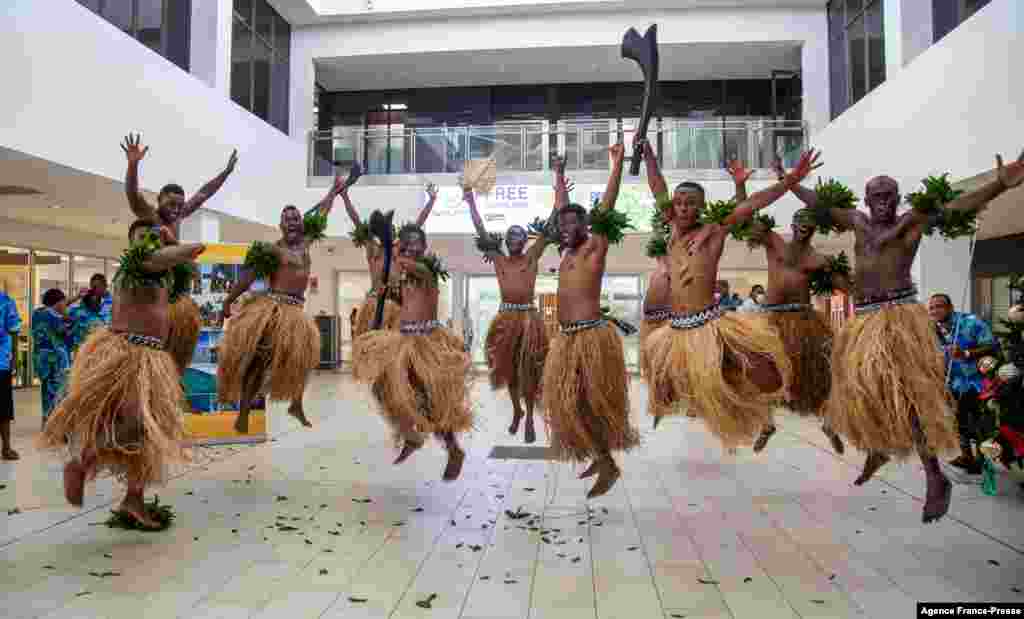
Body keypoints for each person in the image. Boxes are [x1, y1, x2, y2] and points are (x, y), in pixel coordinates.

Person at [795, 150, 1024, 523]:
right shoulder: (856, 221)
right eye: (877, 196)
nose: (883, 201)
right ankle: (876, 447)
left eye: (890, 195)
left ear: (898, 198)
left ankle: (935, 476)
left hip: (899, 317)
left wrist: (998, 184)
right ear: (866, 201)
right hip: (865, 318)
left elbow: (957, 208)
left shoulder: (912, 222)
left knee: (912, 398)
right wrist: (792, 183)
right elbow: (821, 207)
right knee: (856, 390)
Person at [642, 139, 818, 449]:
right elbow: (657, 188)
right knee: (672, 384)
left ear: (702, 206)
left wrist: (791, 180)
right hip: (676, 328)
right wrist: (649, 156)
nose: (683, 207)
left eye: (691, 202)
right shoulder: (671, 232)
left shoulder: (714, 232)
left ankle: (766, 415)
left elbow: (754, 204)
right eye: (679, 201)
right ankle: (747, 415)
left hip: (707, 325)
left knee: (756, 374)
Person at [40, 220, 204, 528]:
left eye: (154, 236)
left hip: (152, 358)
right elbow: (196, 250)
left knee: (145, 434)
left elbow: (192, 271)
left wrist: (170, 247)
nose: (150, 240)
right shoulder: (140, 263)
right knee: (133, 424)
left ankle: (134, 497)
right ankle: (81, 464)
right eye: (143, 236)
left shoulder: (162, 273)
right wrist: (168, 237)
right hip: (128, 356)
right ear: (132, 244)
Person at [218, 170, 351, 434]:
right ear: (281, 225)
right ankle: (244, 411)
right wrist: (228, 301)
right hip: (273, 311)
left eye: (295, 218)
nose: (291, 222)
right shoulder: (272, 250)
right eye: (287, 219)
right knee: (258, 361)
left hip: (297, 311)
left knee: (303, 357)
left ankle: (296, 404)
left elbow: (322, 212)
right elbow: (247, 277)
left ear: (301, 224)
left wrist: (334, 191)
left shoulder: (307, 242)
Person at [541, 142, 639, 499]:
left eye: (573, 222)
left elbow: (609, 203)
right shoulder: (565, 251)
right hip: (567, 338)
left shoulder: (594, 246)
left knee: (592, 400)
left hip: (590, 338)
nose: (565, 227)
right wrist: (558, 175)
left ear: (586, 225)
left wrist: (617, 164)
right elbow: (558, 210)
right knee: (572, 403)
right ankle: (601, 456)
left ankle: (607, 461)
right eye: (562, 224)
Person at [351, 218, 472, 481]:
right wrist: (384, 293)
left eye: (416, 245)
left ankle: (453, 450)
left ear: (425, 246)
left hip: (426, 343)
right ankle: (410, 434)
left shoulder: (425, 270)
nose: (411, 249)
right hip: (403, 340)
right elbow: (399, 293)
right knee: (382, 388)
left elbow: (405, 266)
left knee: (432, 402)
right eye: (406, 245)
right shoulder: (404, 275)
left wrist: (390, 246)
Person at [465, 159, 565, 444]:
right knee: (509, 371)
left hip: (529, 319)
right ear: (506, 241)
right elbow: (480, 228)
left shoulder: (533, 256)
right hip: (506, 319)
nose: (515, 237)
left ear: (526, 239)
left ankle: (531, 414)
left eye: (520, 234)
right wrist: (470, 200)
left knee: (530, 369)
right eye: (511, 234)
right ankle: (517, 411)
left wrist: (558, 174)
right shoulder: (498, 259)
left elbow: (553, 217)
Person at [121, 134, 237, 373]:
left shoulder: (181, 214)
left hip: (170, 289)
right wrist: (133, 164)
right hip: (148, 283)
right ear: (159, 200)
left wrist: (225, 174)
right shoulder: (150, 216)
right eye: (170, 203)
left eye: (179, 204)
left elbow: (204, 193)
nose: (175, 209)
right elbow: (133, 195)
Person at [344, 172, 438, 340]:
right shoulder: (373, 250)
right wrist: (345, 197)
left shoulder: (397, 250)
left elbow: (417, 224)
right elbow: (356, 221)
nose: (390, 233)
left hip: (396, 307)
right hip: (374, 305)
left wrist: (431, 201)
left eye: (392, 230)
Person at [928, 293, 996, 475]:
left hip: (976, 382)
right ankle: (967, 457)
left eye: (939, 306)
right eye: (932, 307)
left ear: (950, 307)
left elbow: (991, 346)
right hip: (953, 383)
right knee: (958, 422)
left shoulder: (971, 322)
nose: (935, 310)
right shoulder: (934, 329)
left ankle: (983, 460)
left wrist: (966, 353)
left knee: (977, 423)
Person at [33, 289, 81, 427]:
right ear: (58, 302)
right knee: (58, 393)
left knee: (46, 393)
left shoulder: (38, 313)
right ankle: (55, 427)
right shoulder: (55, 317)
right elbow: (67, 334)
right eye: (63, 302)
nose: (66, 306)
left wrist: (75, 297)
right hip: (55, 361)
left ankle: (47, 423)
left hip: (42, 360)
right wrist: (71, 319)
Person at [0, 289, 22, 460]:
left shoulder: (5, 301)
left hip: (1, 361)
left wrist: (14, 356)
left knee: (4, 407)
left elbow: (14, 330)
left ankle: (6, 447)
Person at [69, 276, 110, 357]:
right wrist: (77, 297)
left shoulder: (111, 304)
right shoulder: (79, 311)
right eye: (92, 287)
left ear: (105, 286)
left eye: (97, 286)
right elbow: (58, 311)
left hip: (103, 351)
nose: (94, 290)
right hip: (82, 353)